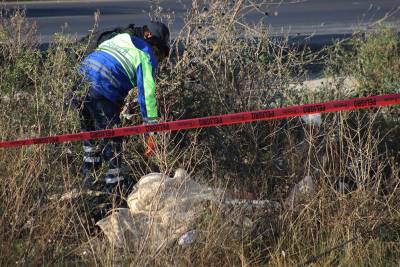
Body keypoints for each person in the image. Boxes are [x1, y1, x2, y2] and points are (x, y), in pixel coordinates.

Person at [77, 21, 170, 191]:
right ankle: (115, 188)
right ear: (154, 44)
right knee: (114, 138)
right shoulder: (145, 53)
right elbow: (147, 95)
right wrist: (152, 131)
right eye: (160, 55)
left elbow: (107, 58)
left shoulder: (120, 38)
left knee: (90, 136)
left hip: (79, 84)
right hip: (102, 86)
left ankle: (89, 180)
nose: (159, 60)